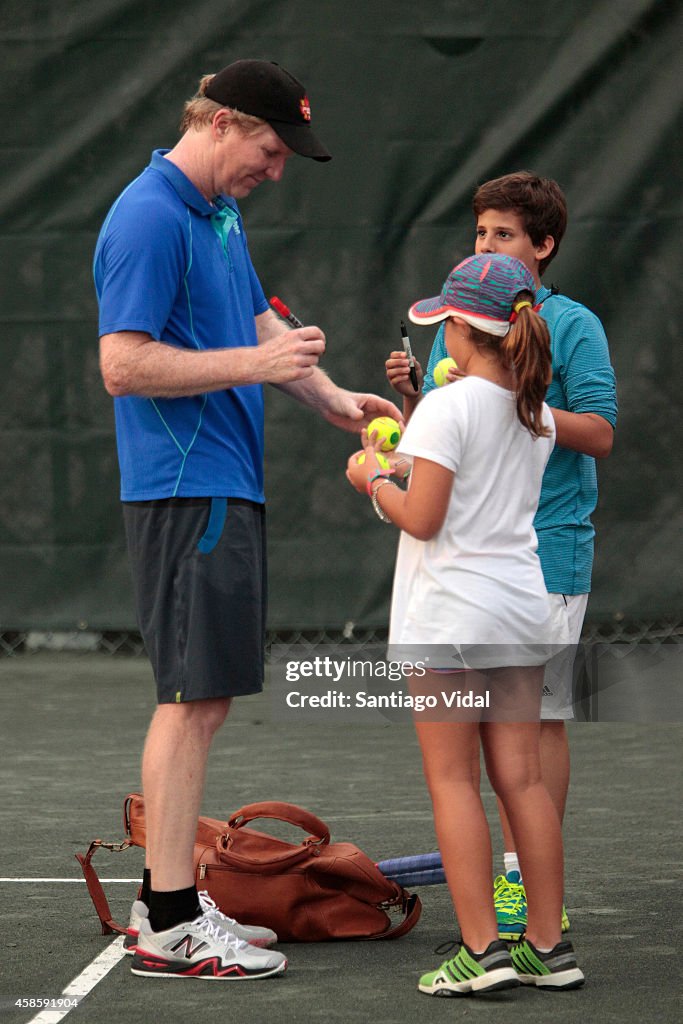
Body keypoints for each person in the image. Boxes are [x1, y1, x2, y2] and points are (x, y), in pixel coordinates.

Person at [93, 58, 402, 982]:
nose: (275, 170)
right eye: (269, 150)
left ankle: (168, 903)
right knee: (189, 702)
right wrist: (255, 368)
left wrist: (333, 397)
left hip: (223, 486)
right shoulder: (148, 217)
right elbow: (122, 365)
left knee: (206, 699)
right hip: (185, 490)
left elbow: (265, 328)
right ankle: (171, 922)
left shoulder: (217, 213)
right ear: (220, 122)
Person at [386, 172, 617, 939]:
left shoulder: (570, 326)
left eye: (505, 236)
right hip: (482, 573)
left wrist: (510, 404)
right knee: (496, 761)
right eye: (480, 234)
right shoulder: (466, 344)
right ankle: (533, 934)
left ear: (543, 246)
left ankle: (517, 917)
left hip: (544, 558)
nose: (487, 246)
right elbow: (451, 456)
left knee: (532, 738)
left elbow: (599, 432)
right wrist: (423, 399)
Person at [347, 253, 585, 994]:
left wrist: (374, 479)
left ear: (459, 326)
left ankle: (480, 952)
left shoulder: (451, 408)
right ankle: (547, 949)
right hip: (519, 609)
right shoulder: (536, 412)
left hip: (449, 618)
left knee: (453, 781)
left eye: (443, 322)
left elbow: (421, 515)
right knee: (523, 783)